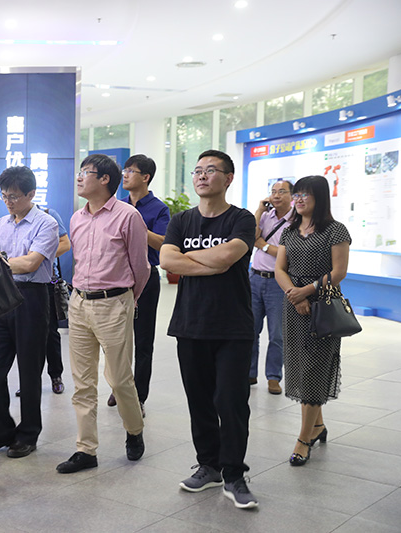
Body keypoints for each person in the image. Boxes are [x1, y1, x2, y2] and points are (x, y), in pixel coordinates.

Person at [160, 149, 258, 509]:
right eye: (198, 170)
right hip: (190, 324)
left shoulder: (241, 219)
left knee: (231, 403)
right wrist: (211, 262)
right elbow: (166, 260)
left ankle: (233, 473)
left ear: (228, 178)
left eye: (211, 170)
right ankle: (209, 466)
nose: (202, 176)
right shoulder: (181, 220)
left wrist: (188, 259)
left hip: (232, 326)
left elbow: (228, 256)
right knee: (199, 401)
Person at [56, 154, 150, 475]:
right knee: (82, 382)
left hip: (114, 303)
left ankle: (134, 430)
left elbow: (141, 267)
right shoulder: (77, 218)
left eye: (86, 172)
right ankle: (86, 449)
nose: (79, 178)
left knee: (119, 379)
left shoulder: (128, 216)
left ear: (105, 179)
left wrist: (126, 301)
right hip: (79, 303)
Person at [0, 166, 59, 459]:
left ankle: (28, 434)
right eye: (4, 196)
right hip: (0, 299)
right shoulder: (1, 223)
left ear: (31, 194)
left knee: (29, 371)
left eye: (13, 196)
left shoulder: (46, 223)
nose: (8, 201)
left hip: (31, 299)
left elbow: (30, 264)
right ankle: (1, 429)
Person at [274, 175, 351, 466]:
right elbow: (280, 268)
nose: (299, 200)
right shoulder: (290, 231)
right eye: (296, 195)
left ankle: (303, 439)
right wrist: (294, 295)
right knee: (298, 365)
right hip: (293, 305)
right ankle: (317, 426)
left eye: (305, 194)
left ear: (320, 197)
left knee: (315, 368)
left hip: (322, 305)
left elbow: (338, 272)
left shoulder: (335, 230)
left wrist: (306, 291)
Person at [107, 154, 170, 415]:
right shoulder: (116, 205)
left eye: (130, 171)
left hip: (146, 277)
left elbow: (163, 243)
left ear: (145, 177)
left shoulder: (159, 209)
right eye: (124, 170)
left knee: (143, 341)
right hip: (117, 278)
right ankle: (118, 386)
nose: (125, 175)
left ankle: (138, 396)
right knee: (116, 339)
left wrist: (137, 227)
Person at [250, 179, 294, 394]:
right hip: (255, 279)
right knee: (250, 330)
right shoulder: (265, 216)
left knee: (277, 334)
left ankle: (273, 377)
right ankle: (249, 372)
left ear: (292, 196)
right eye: (273, 191)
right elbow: (250, 237)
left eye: (282, 191)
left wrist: (264, 245)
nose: (276, 195)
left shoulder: (297, 221)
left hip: (279, 282)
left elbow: (289, 254)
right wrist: (259, 210)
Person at [43, 206, 71, 394]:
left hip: (47, 281)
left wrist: (40, 257)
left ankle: (56, 376)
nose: (10, 200)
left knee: (50, 332)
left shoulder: (48, 214)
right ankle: (28, 380)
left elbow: (65, 244)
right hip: (21, 283)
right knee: (25, 335)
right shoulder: (9, 220)